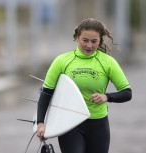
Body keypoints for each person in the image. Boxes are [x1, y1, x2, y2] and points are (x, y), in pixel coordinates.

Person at [36, 18, 132, 153]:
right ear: (77, 38)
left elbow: (127, 93)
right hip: (69, 124)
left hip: (98, 124)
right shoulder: (62, 61)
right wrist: (40, 123)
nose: (89, 45)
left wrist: (107, 97)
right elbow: (46, 92)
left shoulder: (108, 62)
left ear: (100, 41)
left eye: (94, 41)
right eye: (85, 40)